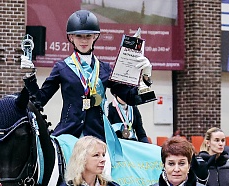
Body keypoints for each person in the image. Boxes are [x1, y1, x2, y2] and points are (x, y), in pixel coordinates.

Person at [21, 10, 152, 153]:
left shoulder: (105, 69)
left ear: (95, 36)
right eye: (79, 36)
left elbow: (131, 97)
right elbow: (40, 100)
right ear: (71, 37)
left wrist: (146, 76)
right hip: (69, 134)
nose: (84, 40)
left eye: (88, 36)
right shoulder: (62, 68)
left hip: (98, 135)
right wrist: (29, 77)